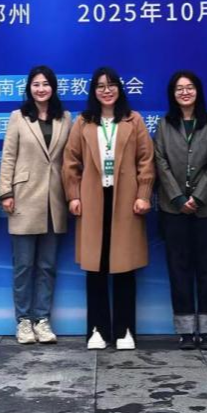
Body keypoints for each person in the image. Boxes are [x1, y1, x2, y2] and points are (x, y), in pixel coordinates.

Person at [62, 66, 154, 350]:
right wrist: (73, 196)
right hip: (92, 199)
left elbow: (146, 160)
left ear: (119, 89)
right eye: (100, 86)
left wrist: (143, 194)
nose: (106, 90)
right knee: (96, 266)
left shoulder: (133, 120)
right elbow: (70, 161)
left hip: (126, 200)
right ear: (94, 91)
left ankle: (125, 330)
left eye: (111, 85)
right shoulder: (84, 122)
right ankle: (97, 330)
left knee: (125, 266)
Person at [153, 70, 207, 350]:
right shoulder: (164, 125)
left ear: (198, 91)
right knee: (179, 269)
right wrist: (177, 197)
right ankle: (185, 331)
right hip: (174, 210)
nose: (185, 92)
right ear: (172, 94)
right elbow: (160, 162)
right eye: (179, 88)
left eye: (190, 87)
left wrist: (197, 197)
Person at [0, 66, 71, 344]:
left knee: (47, 266)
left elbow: (70, 159)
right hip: (24, 198)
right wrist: (5, 192)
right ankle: (23, 321)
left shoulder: (65, 118)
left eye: (46, 84)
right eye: (36, 84)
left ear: (53, 87)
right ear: (29, 88)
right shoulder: (18, 117)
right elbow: (8, 156)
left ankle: (42, 320)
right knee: (24, 266)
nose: (41, 89)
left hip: (55, 200)